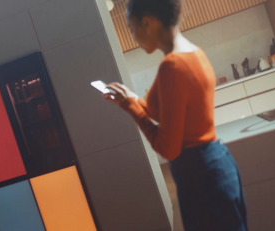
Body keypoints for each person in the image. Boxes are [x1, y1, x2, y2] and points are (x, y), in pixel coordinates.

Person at [104, 0, 248, 230]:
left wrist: (131, 108)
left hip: (199, 175)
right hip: (215, 164)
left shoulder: (172, 66)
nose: (133, 37)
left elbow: (168, 148)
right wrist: (130, 97)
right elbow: (167, 113)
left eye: (132, 30)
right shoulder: (193, 52)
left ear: (148, 23)